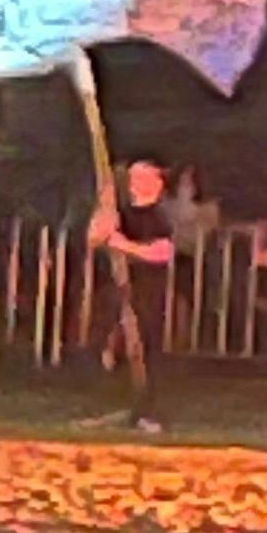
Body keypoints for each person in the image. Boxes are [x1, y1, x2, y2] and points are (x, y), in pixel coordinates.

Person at [87, 154, 176, 432]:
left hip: (147, 291)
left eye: (142, 177)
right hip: (115, 290)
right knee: (105, 345)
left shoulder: (159, 218)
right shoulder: (121, 214)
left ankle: (147, 411)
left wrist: (123, 245)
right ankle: (112, 404)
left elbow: (161, 253)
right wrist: (104, 211)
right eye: (133, 178)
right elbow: (94, 238)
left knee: (145, 349)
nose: (135, 183)